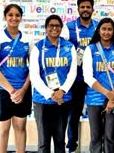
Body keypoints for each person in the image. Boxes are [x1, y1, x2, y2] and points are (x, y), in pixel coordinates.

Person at [30, 14, 77, 152]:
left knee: (60, 139)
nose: (54, 28)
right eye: (51, 25)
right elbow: (34, 74)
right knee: (43, 141)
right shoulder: (38, 47)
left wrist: (61, 92)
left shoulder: (69, 47)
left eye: (57, 25)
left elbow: (72, 72)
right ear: (46, 28)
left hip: (63, 99)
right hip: (42, 100)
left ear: (62, 28)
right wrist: (51, 94)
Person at [0, 4, 32, 153]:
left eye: (17, 15)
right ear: (5, 17)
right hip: (2, 90)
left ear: (21, 17)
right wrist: (12, 91)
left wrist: (23, 90)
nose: (14, 18)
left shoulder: (27, 39)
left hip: (23, 90)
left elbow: (33, 68)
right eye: (10, 15)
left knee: (20, 128)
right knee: (3, 129)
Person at [83, 18, 114, 153]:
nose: (106, 32)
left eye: (109, 29)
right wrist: (108, 94)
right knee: (96, 136)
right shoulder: (90, 49)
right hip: (94, 99)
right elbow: (88, 77)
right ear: (99, 31)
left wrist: (113, 98)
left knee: (110, 136)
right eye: (104, 29)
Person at [61, 0, 99, 152]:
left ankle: (98, 146)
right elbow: (62, 52)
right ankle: (72, 146)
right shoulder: (68, 27)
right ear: (78, 9)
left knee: (97, 115)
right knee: (74, 115)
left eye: (88, 7)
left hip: (95, 79)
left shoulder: (99, 27)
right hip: (75, 79)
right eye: (82, 7)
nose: (85, 9)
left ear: (92, 9)